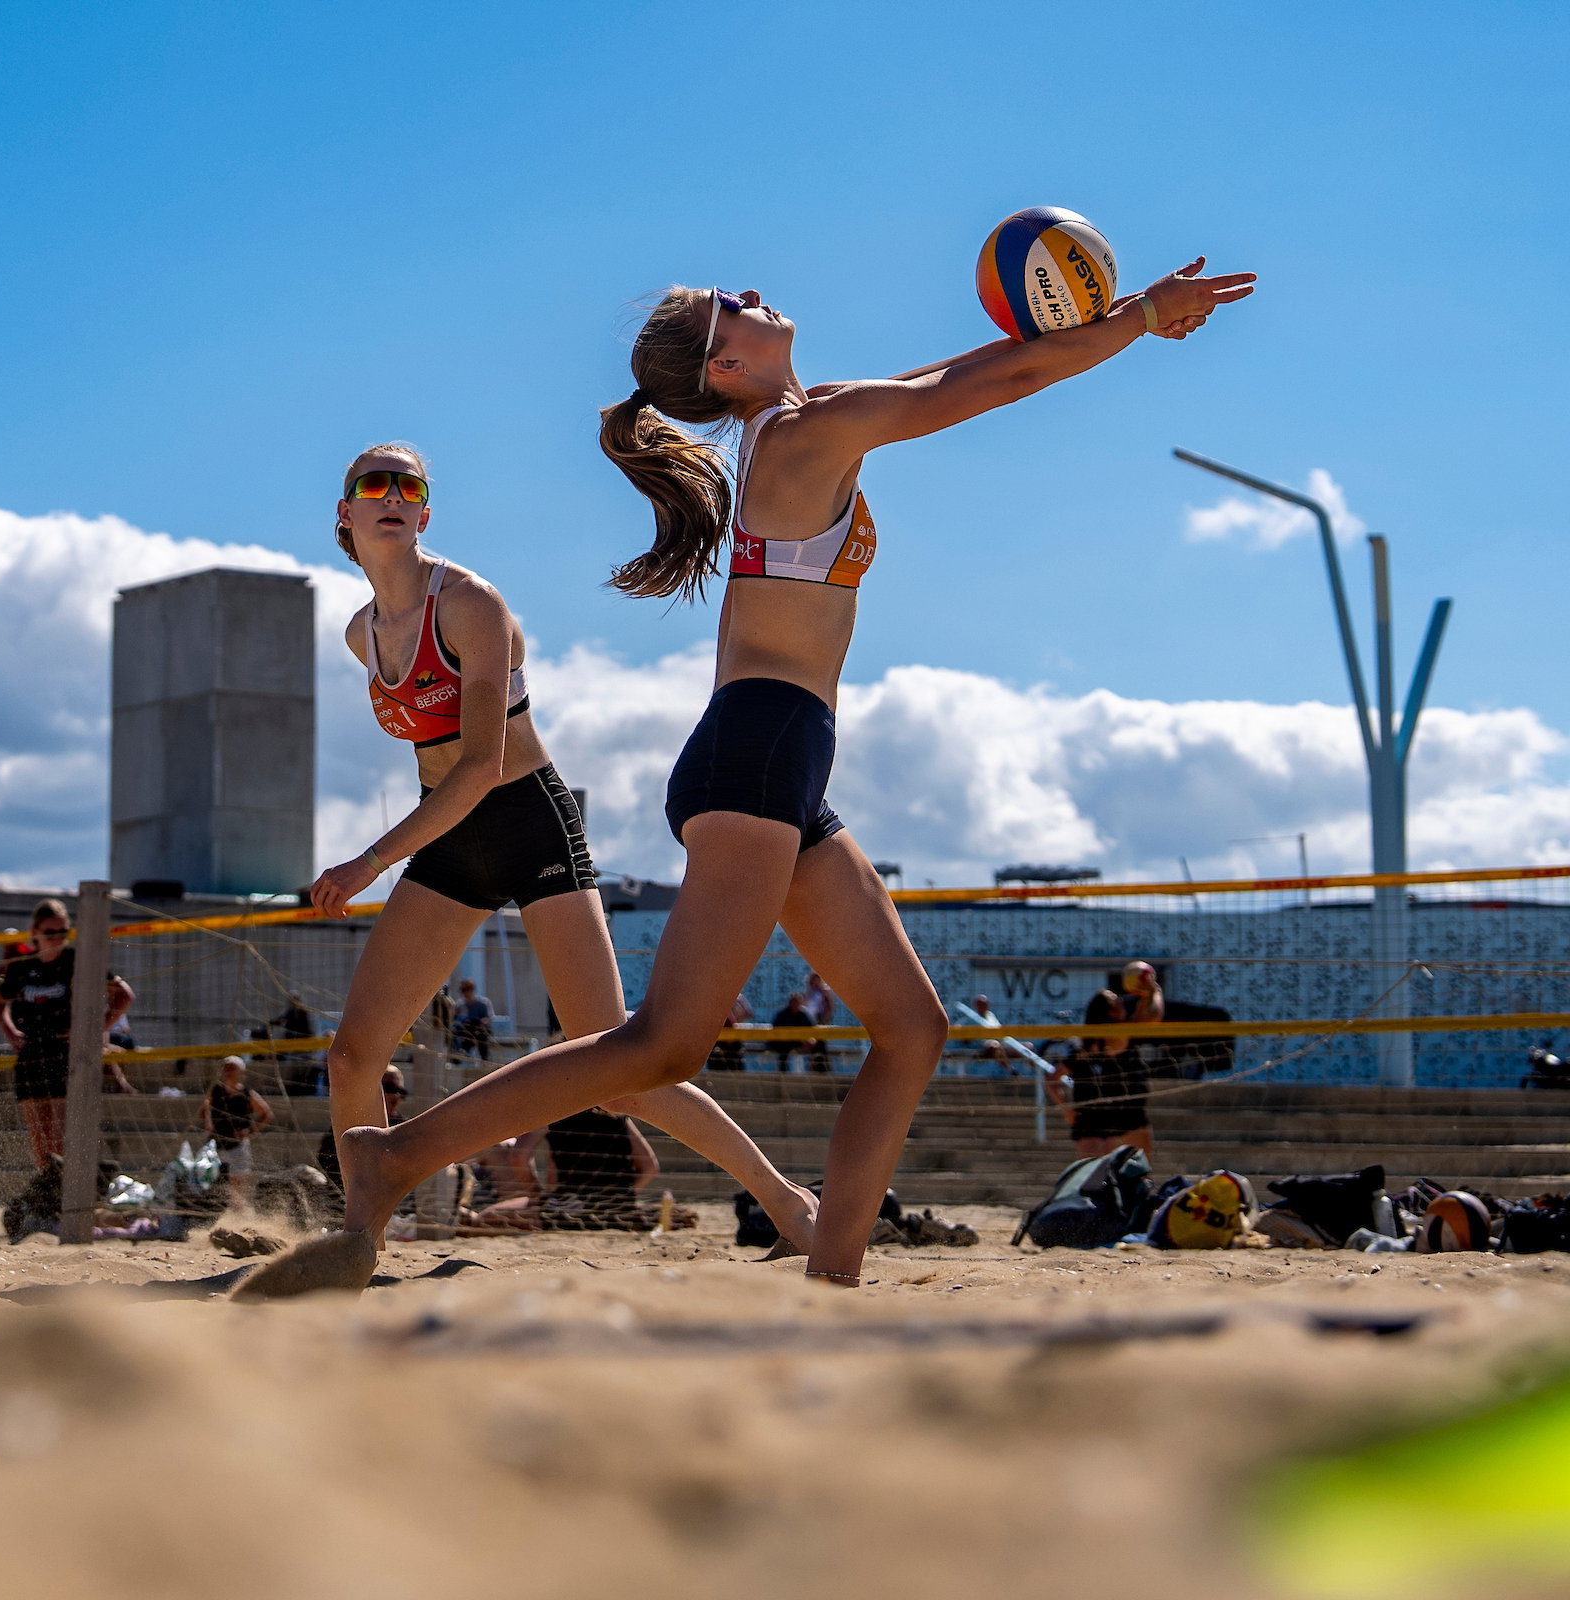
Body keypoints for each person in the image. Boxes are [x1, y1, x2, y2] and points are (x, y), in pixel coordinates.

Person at [258, 254, 1251, 1297]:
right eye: (729, 304)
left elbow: (974, 365)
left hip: (778, 755)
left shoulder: (810, 416)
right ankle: (395, 1154)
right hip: (757, 749)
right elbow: (997, 385)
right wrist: (1137, 318)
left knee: (910, 1028)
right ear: (725, 361)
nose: (750, 291)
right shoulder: (805, 432)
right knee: (660, 1043)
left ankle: (833, 1276)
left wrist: (1115, 320)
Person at [291, 441, 816, 1266]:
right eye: (373, 483)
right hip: (451, 833)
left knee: (618, 1065)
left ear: (424, 512)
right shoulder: (363, 635)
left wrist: (366, 864)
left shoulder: (469, 603)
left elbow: (482, 766)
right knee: (354, 1052)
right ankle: (361, 1239)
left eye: (409, 484)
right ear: (345, 515)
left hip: (525, 817)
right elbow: (439, 773)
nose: (392, 493)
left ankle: (790, 1203)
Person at [0, 898, 135, 1164]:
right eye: (50, 932)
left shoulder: (77, 959)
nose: (57, 937)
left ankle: (68, 1196)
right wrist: (10, 1032)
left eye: (62, 932)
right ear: (35, 932)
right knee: (40, 1141)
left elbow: (124, 995)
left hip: (66, 1053)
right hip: (32, 1052)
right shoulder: (22, 965)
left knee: (61, 1138)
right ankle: (48, 1197)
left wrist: (92, 1032)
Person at [465, 1107, 660, 1233]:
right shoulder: (614, 1111)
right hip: (620, 1215)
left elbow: (518, 1157)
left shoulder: (554, 1109)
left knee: (485, 1218)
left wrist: (536, 1195)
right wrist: (617, 1196)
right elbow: (650, 1167)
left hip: (569, 1211)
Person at [1048, 983, 1156, 1159]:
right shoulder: (1085, 1051)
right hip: (1093, 1120)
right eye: (1114, 1000)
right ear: (1108, 1012)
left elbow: (1147, 1017)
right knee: (1097, 1177)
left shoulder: (1116, 1038)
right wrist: (1066, 1108)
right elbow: (1052, 1079)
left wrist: (1149, 992)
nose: (1120, 1001)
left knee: (1125, 1175)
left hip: (1115, 1116)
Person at [203, 1056, 274, 1201]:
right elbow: (204, 1109)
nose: (227, 1071)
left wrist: (250, 1131)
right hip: (216, 1144)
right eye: (226, 1068)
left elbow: (266, 1113)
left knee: (237, 1186)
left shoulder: (247, 1094)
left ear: (241, 1072)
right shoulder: (215, 1090)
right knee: (215, 1185)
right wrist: (208, 1123)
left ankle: (238, 1216)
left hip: (237, 1145)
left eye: (231, 1068)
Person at [706, 993, 754, 1072]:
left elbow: (748, 1013)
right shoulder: (715, 1005)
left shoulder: (735, 997)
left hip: (729, 1048)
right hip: (719, 1048)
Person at [451, 978, 494, 1062]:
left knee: (482, 1037)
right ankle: (457, 1056)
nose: (465, 993)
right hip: (465, 1031)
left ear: (472, 990)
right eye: (463, 990)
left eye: (467, 990)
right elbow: (455, 1020)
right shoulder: (459, 1005)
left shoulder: (483, 1003)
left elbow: (488, 1018)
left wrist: (479, 1022)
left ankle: (484, 1060)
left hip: (479, 1030)